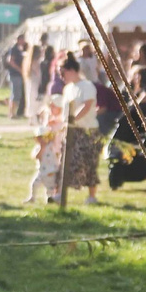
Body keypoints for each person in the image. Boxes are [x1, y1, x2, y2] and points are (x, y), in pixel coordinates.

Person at [54, 55, 101, 206]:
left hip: (87, 130)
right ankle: (58, 194)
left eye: (63, 72)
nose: (61, 76)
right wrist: (61, 122)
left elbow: (87, 106)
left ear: (72, 70)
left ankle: (92, 197)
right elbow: (65, 110)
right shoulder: (68, 89)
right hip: (71, 130)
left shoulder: (87, 86)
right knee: (64, 162)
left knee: (89, 162)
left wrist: (72, 120)